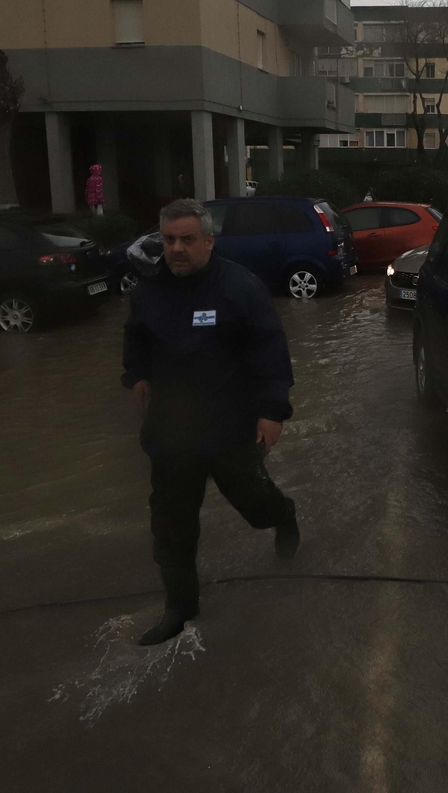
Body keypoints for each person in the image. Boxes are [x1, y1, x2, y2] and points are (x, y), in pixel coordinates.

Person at [121, 199, 300, 646]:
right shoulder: (149, 289)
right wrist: (137, 375)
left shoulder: (240, 288)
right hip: (170, 432)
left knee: (253, 505)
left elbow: (271, 351)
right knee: (171, 525)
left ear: (208, 241)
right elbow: (135, 337)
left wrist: (272, 411)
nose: (176, 249)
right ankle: (180, 610)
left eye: (186, 239)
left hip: (229, 426)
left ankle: (283, 514)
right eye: (168, 240)